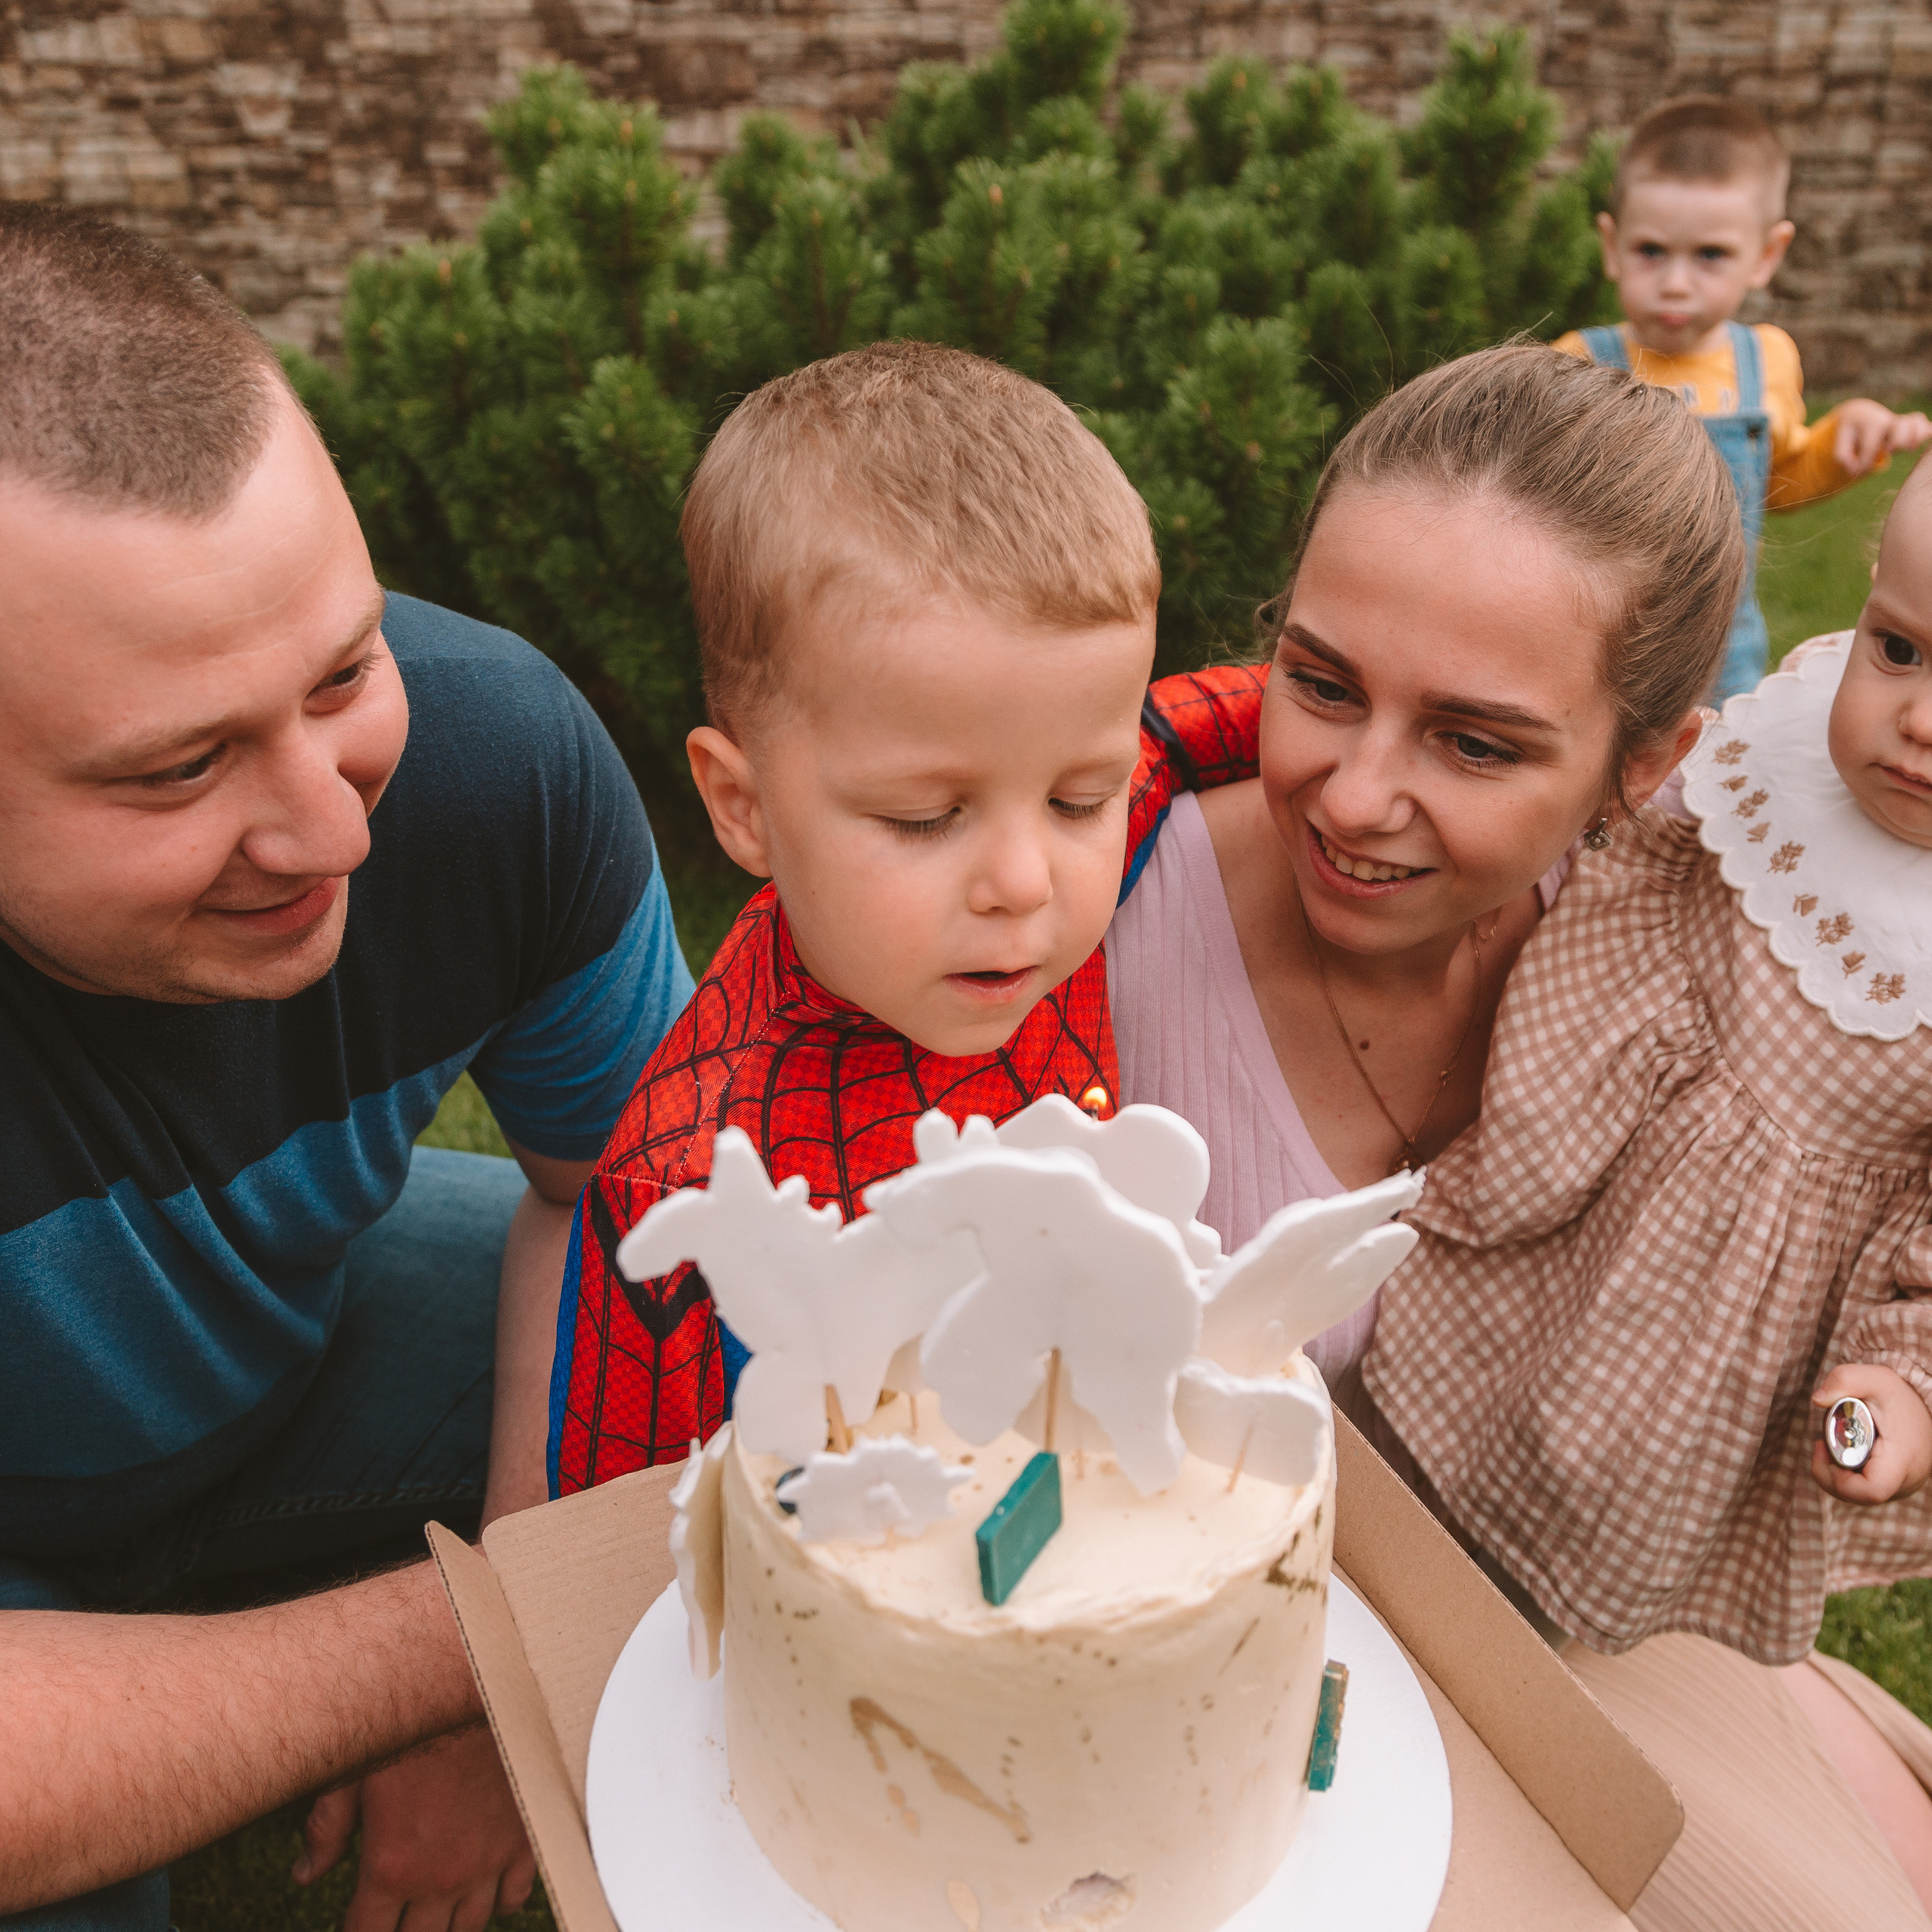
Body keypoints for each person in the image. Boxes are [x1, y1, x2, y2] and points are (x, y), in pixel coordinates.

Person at [1104, 343, 1932, 1927]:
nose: (1353, 796)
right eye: (1319, 682)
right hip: (1218, 1657)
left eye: (1474, 743)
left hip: (1588, 1599)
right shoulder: (1096, 939)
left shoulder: (1728, 926)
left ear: (1649, 766)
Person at [0, 203, 692, 1929]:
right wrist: (501, 1639)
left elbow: (642, 1221)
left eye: (342, 670)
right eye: (179, 767)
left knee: (778, 1384)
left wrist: (513, 1696)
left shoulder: (492, 756)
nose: (332, 828)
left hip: (289, 1367)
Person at [547, 340, 1263, 1489]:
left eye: (1081, 799)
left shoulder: (1026, 884)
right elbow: (610, 1527)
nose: (1024, 881)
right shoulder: (684, 1194)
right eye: (926, 818)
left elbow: (1184, 728)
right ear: (743, 807)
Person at [1558, 94, 1932, 703]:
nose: (1675, 283)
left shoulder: (1766, 359)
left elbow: (1776, 484)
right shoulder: (1578, 362)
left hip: (1725, 651)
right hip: (1602, 645)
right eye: (1650, 251)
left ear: (1765, 256)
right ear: (1611, 244)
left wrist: (1842, 446)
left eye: (1710, 255)